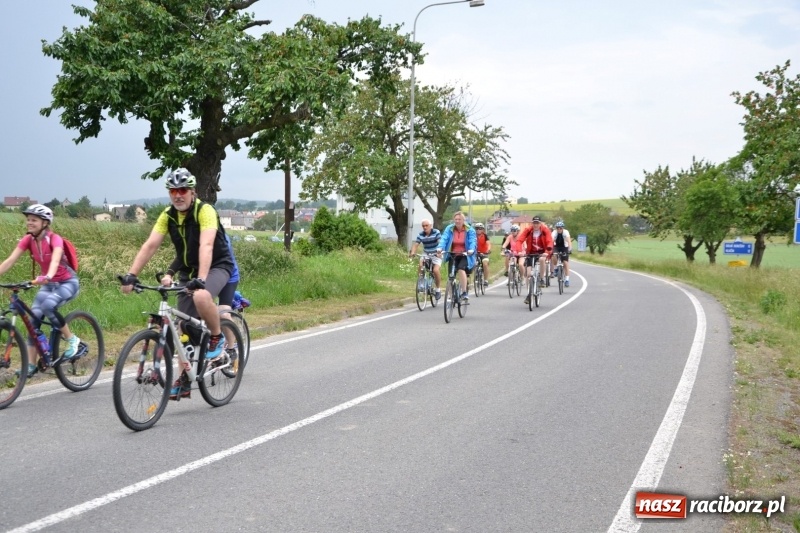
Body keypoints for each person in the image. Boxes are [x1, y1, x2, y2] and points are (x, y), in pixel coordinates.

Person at [120, 168, 234, 400]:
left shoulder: (205, 211)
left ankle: (216, 335)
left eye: (182, 190)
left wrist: (201, 279)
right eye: (173, 191)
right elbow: (150, 245)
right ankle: (183, 379)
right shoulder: (168, 215)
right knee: (181, 327)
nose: (177, 195)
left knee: (202, 297)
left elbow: (206, 246)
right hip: (188, 272)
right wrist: (132, 274)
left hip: (216, 266)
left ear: (192, 192)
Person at [0, 204, 82, 377]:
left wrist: (48, 276)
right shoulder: (28, 240)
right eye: (28, 219)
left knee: (48, 306)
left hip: (67, 282)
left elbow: (55, 259)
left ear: (45, 222)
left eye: (34, 220)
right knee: (33, 321)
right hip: (48, 284)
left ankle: (72, 339)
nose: (29, 223)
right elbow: (10, 260)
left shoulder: (54, 239)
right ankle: (31, 365)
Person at [436, 211, 477, 301]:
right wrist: (440, 248)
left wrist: (471, 250)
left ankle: (464, 292)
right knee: (451, 275)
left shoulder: (469, 229)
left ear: (463, 220)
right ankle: (451, 296)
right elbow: (444, 238)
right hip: (453, 254)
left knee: (461, 269)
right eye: (456, 219)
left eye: (459, 219)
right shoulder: (449, 228)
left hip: (465, 254)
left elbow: (472, 241)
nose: (457, 221)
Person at [517, 216, 553, 305]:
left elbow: (549, 241)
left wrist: (547, 251)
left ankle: (541, 279)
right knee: (528, 275)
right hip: (530, 252)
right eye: (534, 223)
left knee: (541, 259)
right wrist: (519, 251)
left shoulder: (545, 230)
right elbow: (519, 240)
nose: (536, 225)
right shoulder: (528, 230)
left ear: (540, 223)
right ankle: (529, 294)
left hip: (542, 252)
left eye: (537, 223)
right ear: (532, 223)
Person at [408, 219, 443, 300]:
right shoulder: (421, 234)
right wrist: (413, 252)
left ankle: (438, 289)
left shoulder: (436, 232)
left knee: (435, 270)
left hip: (436, 253)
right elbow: (416, 244)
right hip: (426, 253)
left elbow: (440, 242)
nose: (425, 227)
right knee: (421, 265)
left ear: (431, 226)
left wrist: (439, 251)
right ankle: (421, 284)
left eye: (426, 225)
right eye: (423, 226)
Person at [550, 221, 572, 287]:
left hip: (564, 247)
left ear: (563, 228)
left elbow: (569, 241)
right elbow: (551, 241)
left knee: (565, 262)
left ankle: (567, 279)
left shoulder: (566, 232)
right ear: (556, 228)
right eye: (558, 228)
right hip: (556, 246)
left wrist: (570, 249)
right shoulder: (554, 233)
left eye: (560, 228)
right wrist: (550, 249)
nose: (559, 229)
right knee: (554, 255)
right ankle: (556, 268)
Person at [474, 222, 492, 287]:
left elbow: (488, 243)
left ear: (482, 229)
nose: (478, 230)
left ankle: (486, 280)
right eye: (477, 229)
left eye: (480, 229)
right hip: (475, 253)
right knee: (473, 264)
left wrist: (488, 249)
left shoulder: (485, 236)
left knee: (485, 264)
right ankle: (476, 274)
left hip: (484, 253)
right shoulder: (473, 235)